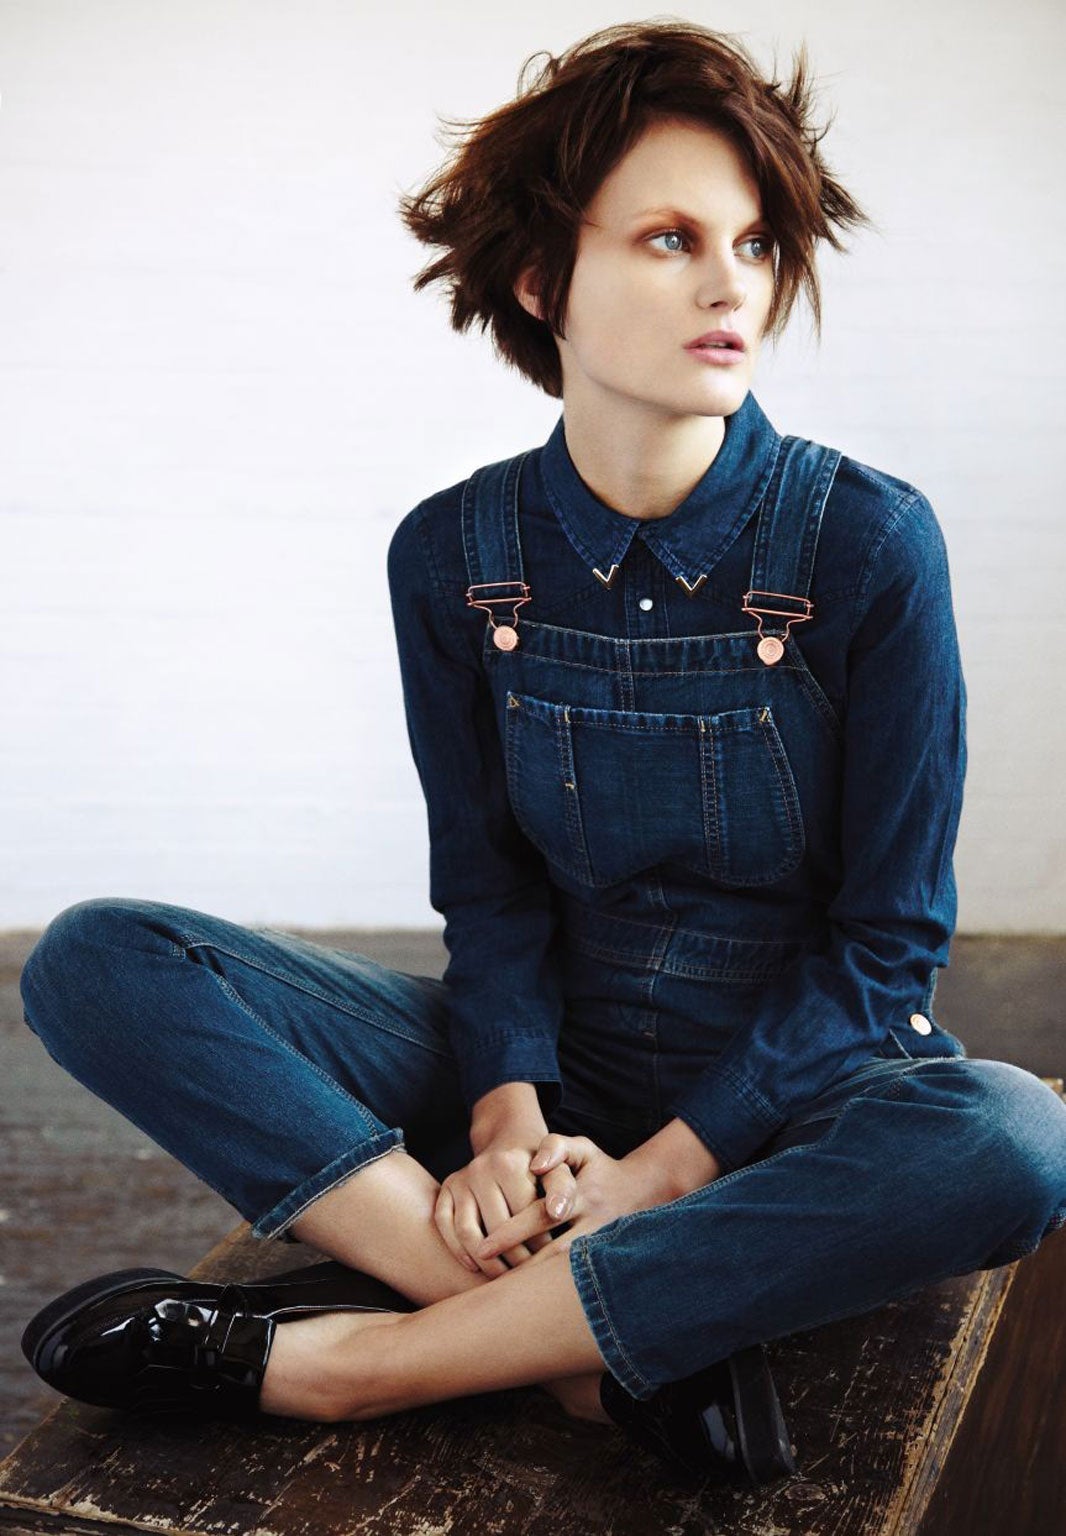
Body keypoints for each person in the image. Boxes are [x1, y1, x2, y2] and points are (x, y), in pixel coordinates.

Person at [19, 19, 1066, 1489]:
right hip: (541, 1055)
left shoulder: (865, 544)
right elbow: (491, 894)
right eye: (668, 238)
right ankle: (577, 1340)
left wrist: (653, 1176)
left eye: (758, 245)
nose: (730, 287)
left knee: (1011, 1140)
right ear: (538, 281)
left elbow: (885, 951)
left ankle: (361, 1363)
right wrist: (510, 1111)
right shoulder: (452, 555)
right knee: (93, 961)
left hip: (783, 1098)